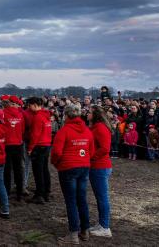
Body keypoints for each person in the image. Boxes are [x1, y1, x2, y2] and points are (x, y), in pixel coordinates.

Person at [51, 103, 93, 245]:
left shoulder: (64, 131)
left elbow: (56, 152)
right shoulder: (87, 130)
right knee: (82, 199)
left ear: (66, 115)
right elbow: (91, 151)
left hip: (68, 168)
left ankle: (73, 235)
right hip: (84, 167)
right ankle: (85, 230)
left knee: (71, 201)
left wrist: (56, 163)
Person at [87, 105, 113, 238]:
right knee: (100, 197)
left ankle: (105, 227)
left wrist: (90, 157)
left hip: (100, 167)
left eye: (90, 112)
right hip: (97, 166)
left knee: (102, 198)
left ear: (95, 114)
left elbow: (104, 149)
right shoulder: (96, 127)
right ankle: (102, 223)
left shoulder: (101, 128)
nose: (87, 113)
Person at [26, 97, 52, 204]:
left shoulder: (37, 117)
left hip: (39, 146)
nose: (29, 107)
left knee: (38, 172)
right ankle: (46, 192)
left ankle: (39, 194)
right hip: (46, 145)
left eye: (30, 105)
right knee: (45, 169)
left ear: (35, 105)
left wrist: (30, 148)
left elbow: (35, 135)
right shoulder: (46, 116)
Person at [2, 95, 25, 201]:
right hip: (18, 144)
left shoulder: (3, 113)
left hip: (7, 144)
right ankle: (19, 193)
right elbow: (23, 129)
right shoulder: (21, 115)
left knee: (7, 169)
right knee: (18, 169)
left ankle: (6, 191)